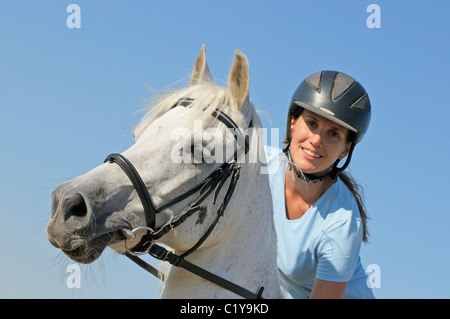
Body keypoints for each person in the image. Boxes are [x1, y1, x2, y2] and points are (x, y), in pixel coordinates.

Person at [265, 70, 375, 299]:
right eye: (312, 123)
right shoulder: (260, 166)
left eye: (333, 133)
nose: (316, 140)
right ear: (293, 124)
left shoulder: (342, 221)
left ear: (345, 150)